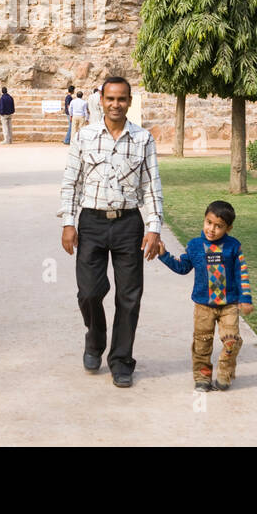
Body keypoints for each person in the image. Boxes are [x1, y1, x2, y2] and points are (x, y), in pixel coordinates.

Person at [59, 76, 163, 387]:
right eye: (110, 99)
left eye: (122, 99)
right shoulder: (85, 136)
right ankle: (95, 339)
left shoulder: (143, 139)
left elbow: (151, 187)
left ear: (129, 101)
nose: (115, 104)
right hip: (91, 222)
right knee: (89, 292)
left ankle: (121, 360)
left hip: (129, 223)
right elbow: (71, 182)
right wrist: (68, 222)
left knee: (129, 296)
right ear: (101, 101)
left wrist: (154, 228)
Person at [157, 200, 253, 392]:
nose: (212, 229)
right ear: (204, 220)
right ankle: (202, 376)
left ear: (229, 228)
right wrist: (164, 255)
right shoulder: (194, 246)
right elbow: (182, 267)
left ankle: (225, 373)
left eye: (219, 226)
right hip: (203, 306)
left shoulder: (233, 247)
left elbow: (241, 273)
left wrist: (246, 299)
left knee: (231, 340)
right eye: (209, 223)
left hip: (229, 305)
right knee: (202, 344)